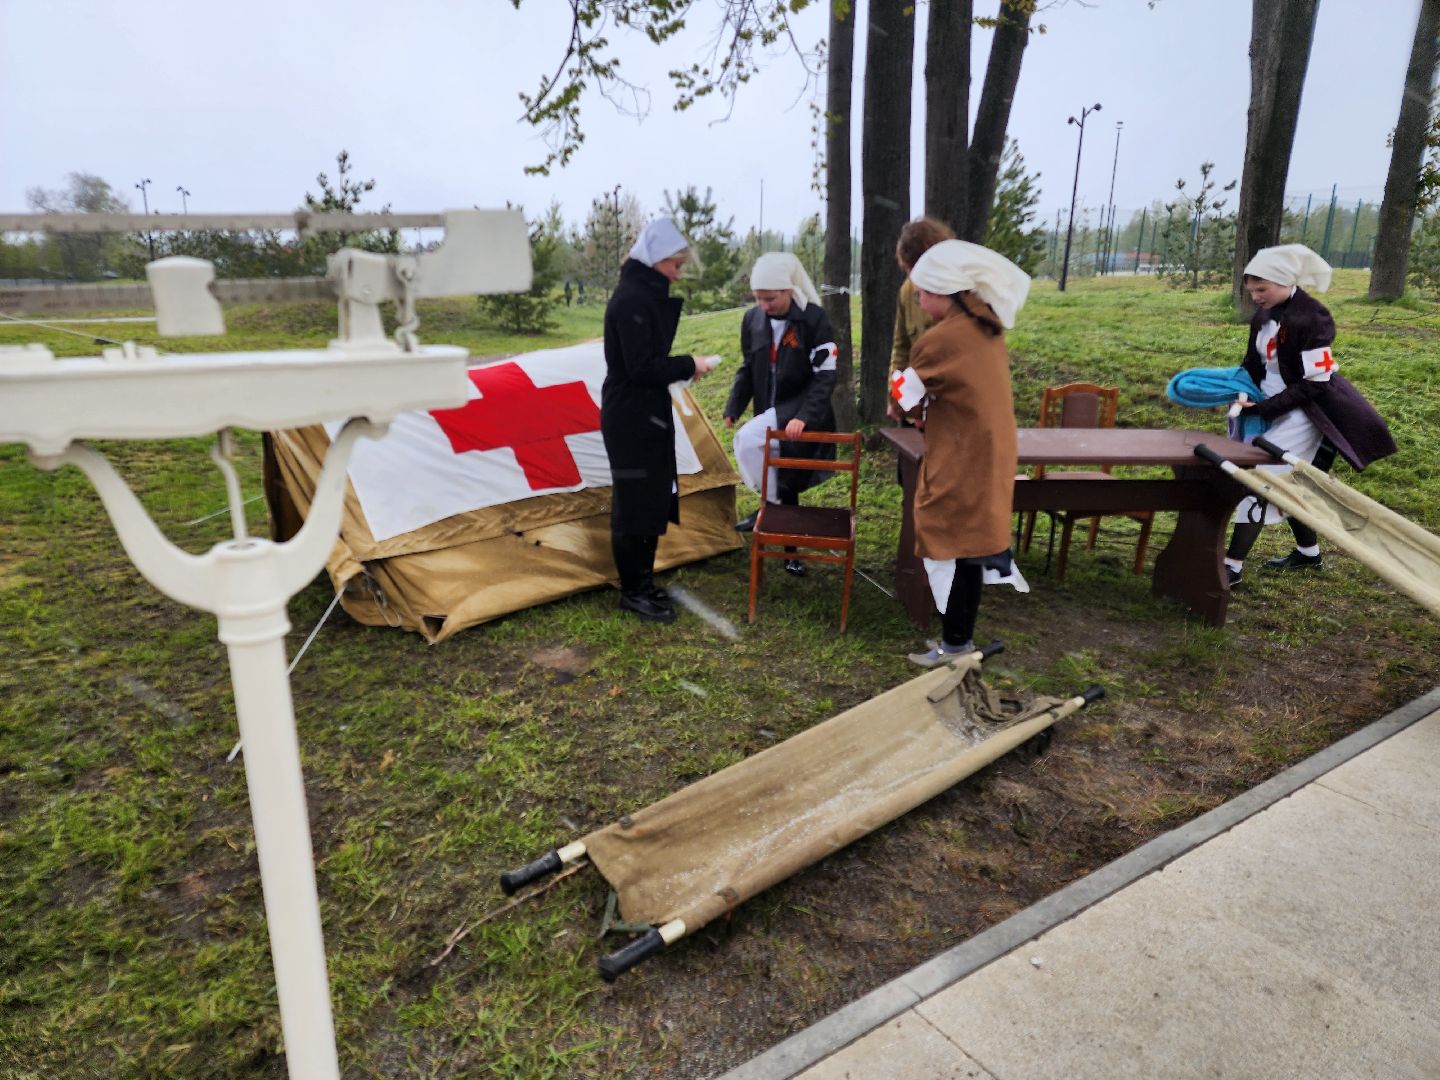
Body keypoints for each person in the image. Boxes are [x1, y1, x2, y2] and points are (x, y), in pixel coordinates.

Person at [1223, 244, 1396, 587]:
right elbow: (1253, 361)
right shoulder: (1263, 314)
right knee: (1290, 481)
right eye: (1252, 290)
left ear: (1284, 281)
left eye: (1261, 289)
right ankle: (1308, 553)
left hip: (1303, 413)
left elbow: (1316, 383)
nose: (1255, 297)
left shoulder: (1313, 317)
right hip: (1266, 405)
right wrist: (1243, 391)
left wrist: (1265, 408)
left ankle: (1231, 568)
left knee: (1261, 479)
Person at [895, 239, 1032, 667]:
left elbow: (904, 398)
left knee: (949, 543)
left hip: (962, 457)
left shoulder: (940, 341)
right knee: (971, 547)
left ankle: (954, 644)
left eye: (922, 293)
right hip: (989, 455)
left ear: (944, 292)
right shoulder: (987, 327)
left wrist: (902, 396)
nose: (919, 301)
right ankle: (958, 640)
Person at [601, 218, 719, 623]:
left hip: (644, 411)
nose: (678, 273)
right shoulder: (631, 300)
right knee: (634, 501)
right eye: (675, 264)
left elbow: (648, 364)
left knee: (651, 496)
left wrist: (683, 371)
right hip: (630, 415)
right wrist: (689, 363)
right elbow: (641, 367)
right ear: (655, 259)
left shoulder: (640, 294)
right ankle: (633, 592)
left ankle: (643, 582)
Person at [723, 252, 839, 575]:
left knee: (784, 477)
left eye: (770, 298)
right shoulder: (752, 320)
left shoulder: (814, 319)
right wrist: (734, 406)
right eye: (758, 298)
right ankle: (777, 523)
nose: (763, 306)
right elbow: (748, 368)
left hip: (800, 412)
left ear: (789, 290)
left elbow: (826, 375)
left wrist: (804, 416)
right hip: (768, 409)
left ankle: (784, 539)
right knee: (775, 475)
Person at [887, 217, 957, 423]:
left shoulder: (963, 294)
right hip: (914, 407)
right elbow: (901, 348)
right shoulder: (906, 291)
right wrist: (896, 396)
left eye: (912, 269)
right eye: (906, 270)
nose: (911, 279)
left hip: (950, 412)